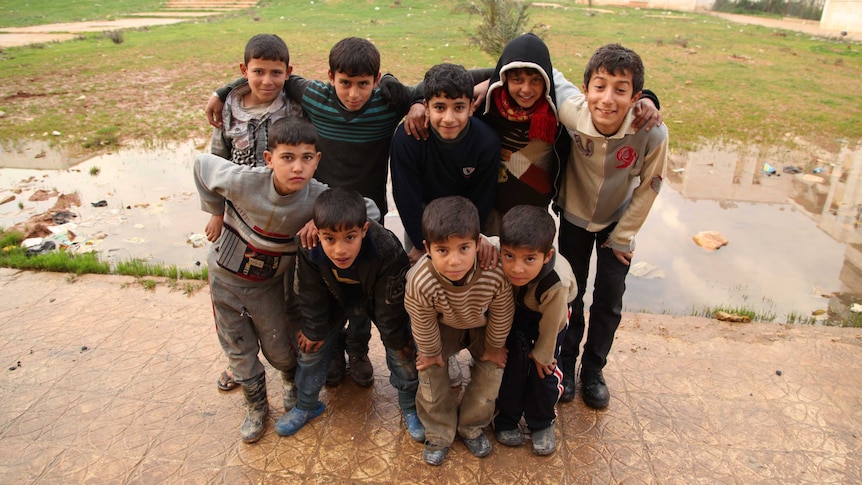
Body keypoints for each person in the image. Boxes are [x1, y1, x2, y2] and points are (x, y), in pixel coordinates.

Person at [207, 37, 425, 389]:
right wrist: (224, 91)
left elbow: (436, 84)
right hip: (318, 219)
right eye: (345, 83)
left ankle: (358, 350)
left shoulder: (387, 102)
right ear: (330, 77)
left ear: (376, 79)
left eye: (362, 84)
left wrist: (416, 102)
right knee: (324, 283)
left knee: (363, 287)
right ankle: (334, 350)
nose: (353, 93)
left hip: (368, 218)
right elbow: (269, 76)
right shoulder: (314, 96)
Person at [554, 44, 669, 409]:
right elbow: (547, 73)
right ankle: (567, 364)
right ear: (586, 88)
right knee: (570, 294)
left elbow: (651, 186)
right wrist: (481, 84)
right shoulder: (571, 111)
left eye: (621, 90)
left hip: (616, 225)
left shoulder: (652, 132)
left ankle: (593, 371)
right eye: (599, 86)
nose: (607, 99)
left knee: (608, 300)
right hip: (573, 216)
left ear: (636, 98)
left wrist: (622, 237)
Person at [275, 187, 423, 442]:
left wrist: (396, 339)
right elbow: (309, 293)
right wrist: (313, 329)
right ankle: (307, 404)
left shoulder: (386, 247)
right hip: (332, 300)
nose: (339, 250)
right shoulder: (308, 245)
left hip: (376, 299)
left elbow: (391, 303)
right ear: (318, 232)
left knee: (402, 353)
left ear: (364, 230)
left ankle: (410, 406)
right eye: (329, 239)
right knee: (311, 349)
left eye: (349, 238)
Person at [205, 33, 303, 393]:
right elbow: (215, 162)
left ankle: (292, 365)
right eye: (258, 72)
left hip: (283, 221)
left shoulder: (294, 105)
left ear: (288, 73)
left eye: (276, 73)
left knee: (285, 294)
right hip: (237, 221)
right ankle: (240, 364)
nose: (267, 81)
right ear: (244, 70)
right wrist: (215, 211)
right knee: (231, 294)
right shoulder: (229, 108)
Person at [404, 196, 515, 466]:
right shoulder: (420, 280)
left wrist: (494, 346)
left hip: (482, 326)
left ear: (478, 243)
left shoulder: (494, 269)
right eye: (443, 250)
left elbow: (502, 310)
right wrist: (430, 352)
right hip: (444, 327)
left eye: (463, 248)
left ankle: (471, 426)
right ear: (427, 248)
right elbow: (421, 318)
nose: (454, 261)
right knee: (430, 372)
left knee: (492, 370)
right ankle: (439, 432)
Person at [390, 62, 500, 265]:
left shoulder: (486, 141)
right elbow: (406, 197)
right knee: (420, 278)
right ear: (426, 107)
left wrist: (468, 240)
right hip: (422, 221)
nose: (449, 119)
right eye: (440, 107)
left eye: (458, 107)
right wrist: (423, 245)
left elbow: (482, 199)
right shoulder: (407, 139)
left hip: (468, 221)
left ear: (470, 107)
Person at [491, 205, 576, 456]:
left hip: (552, 314)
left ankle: (542, 421)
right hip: (519, 308)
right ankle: (505, 418)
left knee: (544, 370)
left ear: (547, 256)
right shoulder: (497, 248)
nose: (517, 268)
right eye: (509, 257)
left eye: (529, 259)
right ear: (502, 249)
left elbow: (553, 324)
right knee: (513, 364)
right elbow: (481, 240)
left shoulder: (556, 283)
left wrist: (543, 352)